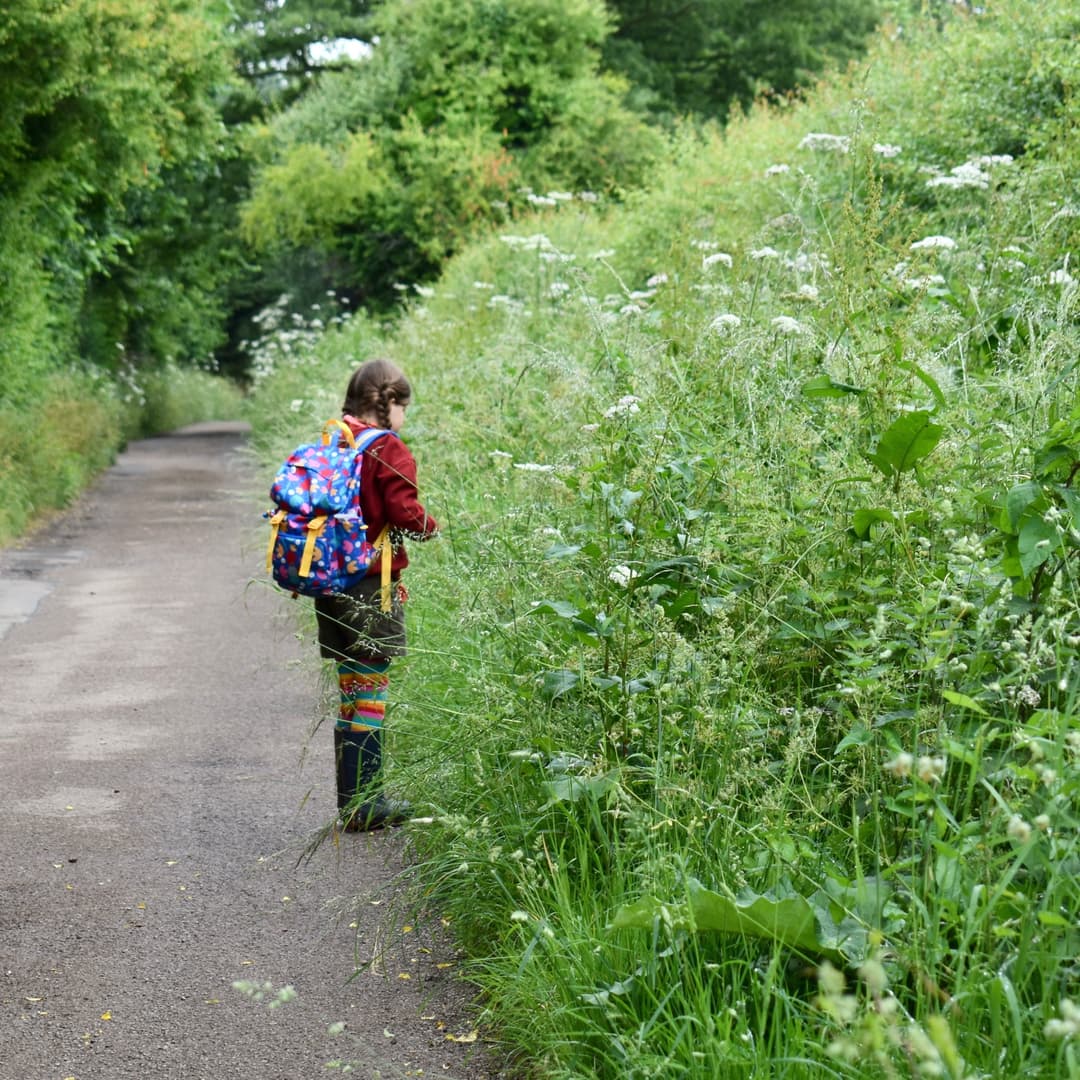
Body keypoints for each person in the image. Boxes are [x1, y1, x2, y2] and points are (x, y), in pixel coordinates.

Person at [314, 358, 439, 831]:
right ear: (386, 403)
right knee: (371, 692)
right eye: (403, 406)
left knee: (352, 691)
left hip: (330, 583)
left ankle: (355, 803)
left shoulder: (334, 439)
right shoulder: (388, 448)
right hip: (371, 586)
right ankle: (367, 804)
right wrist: (433, 528)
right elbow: (405, 513)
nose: (405, 417)